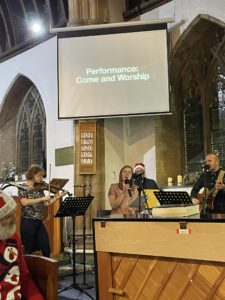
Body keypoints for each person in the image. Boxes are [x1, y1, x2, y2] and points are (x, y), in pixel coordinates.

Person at [0, 190, 44, 300]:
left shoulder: (13, 237)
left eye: (13, 213)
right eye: (7, 216)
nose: (14, 219)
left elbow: (24, 277)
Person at [18, 164, 66, 257]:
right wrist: (41, 199)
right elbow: (24, 202)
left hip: (39, 222)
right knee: (28, 250)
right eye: (39, 175)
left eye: (42, 176)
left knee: (46, 248)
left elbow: (45, 203)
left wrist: (57, 197)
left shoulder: (39, 188)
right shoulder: (22, 187)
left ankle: (46, 270)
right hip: (28, 222)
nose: (41, 178)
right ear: (32, 175)